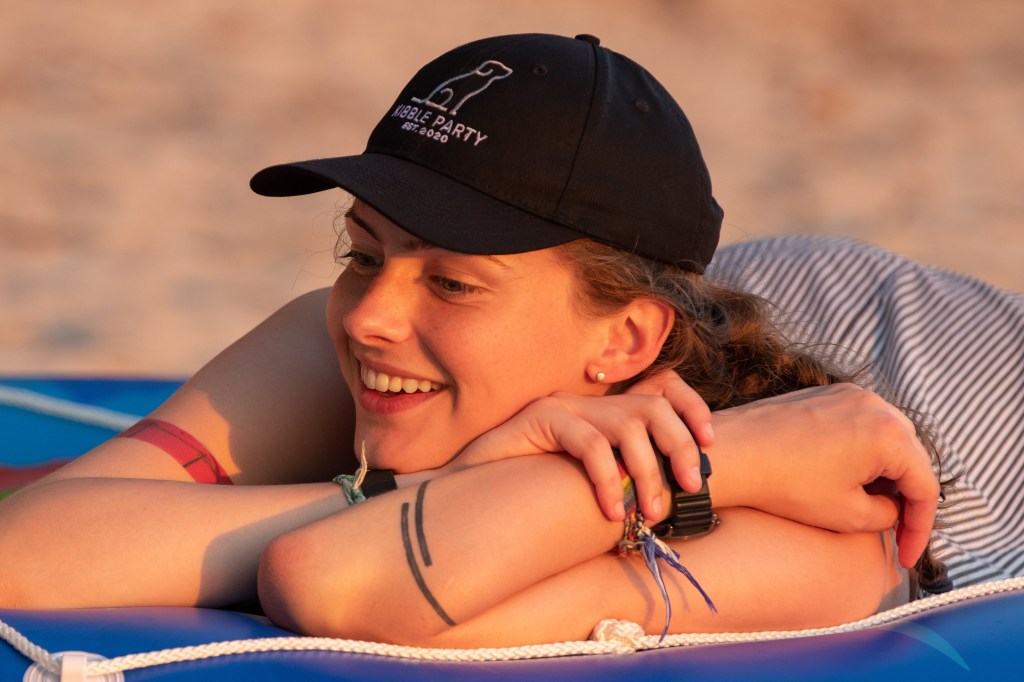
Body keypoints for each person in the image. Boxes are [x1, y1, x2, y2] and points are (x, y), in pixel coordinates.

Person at [0, 33, 943, 646]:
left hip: (942, 344)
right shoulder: (344, 343)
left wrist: (715, 463)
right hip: (726, 292)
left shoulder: (832, 534)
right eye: (363, 251)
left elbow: (333, 584)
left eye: (452, 281)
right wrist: (468, 477)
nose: (367, 316)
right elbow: (27, 551)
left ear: (623, 342)